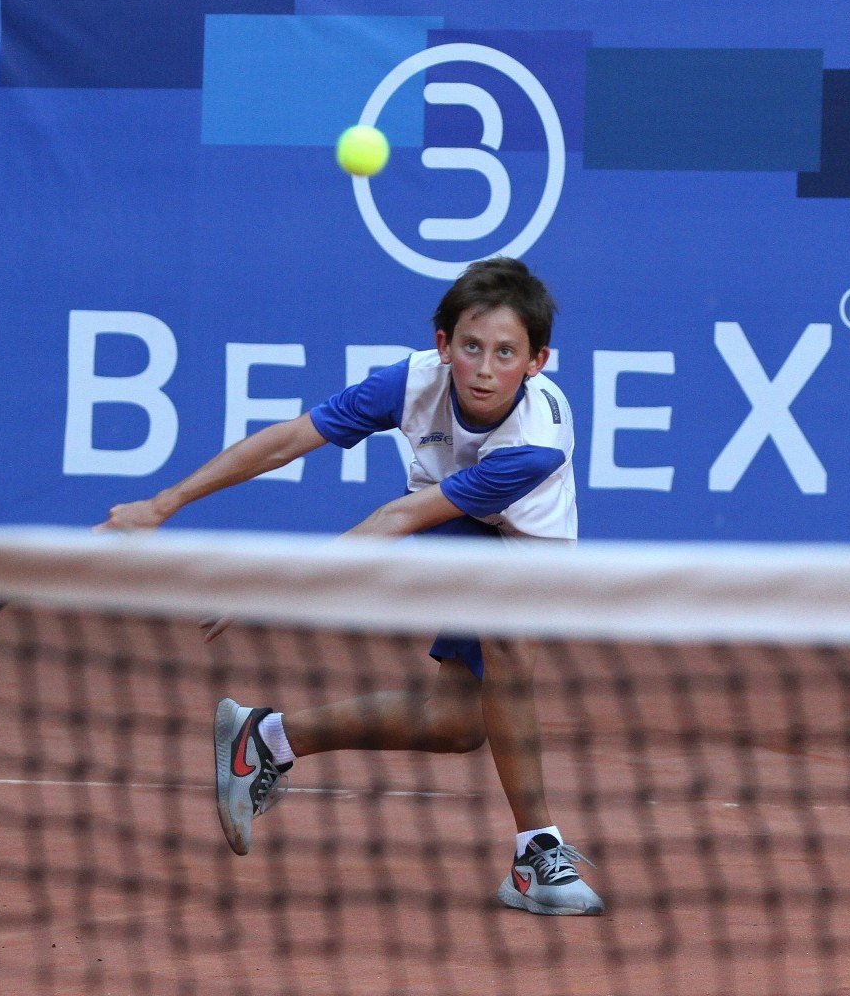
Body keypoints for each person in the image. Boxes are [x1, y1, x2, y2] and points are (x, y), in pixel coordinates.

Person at [94, 257, 602, 916]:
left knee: (456, 725)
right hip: (460, 530)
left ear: (537, 363)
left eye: (506, 353)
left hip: (525, 545)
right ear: (442, 345)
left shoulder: (532, 447)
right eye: (471, 347)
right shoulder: (409, 383)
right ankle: (537, 855)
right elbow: (286, 440)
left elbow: (397, 519)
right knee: (508, 647)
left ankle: (265, 739)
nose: (484, 367)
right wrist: (161, 505)